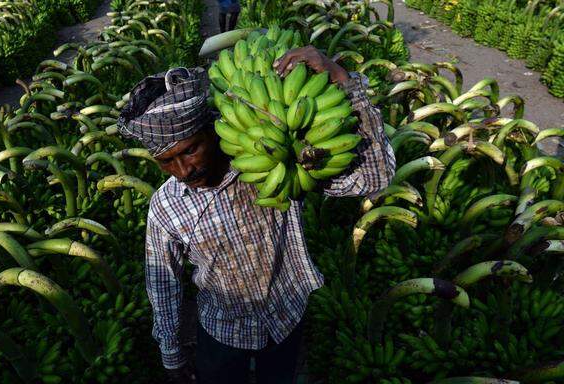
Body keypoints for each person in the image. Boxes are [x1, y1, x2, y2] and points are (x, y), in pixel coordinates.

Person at [117, 45, 396, 384]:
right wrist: (171, 354)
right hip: (222, 330)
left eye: (190, 150)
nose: (183, 169)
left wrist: (343, 81)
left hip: (286, 319)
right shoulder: (167, 205)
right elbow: (164, 283)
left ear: (212, 130)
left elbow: (374, 179)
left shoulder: (273, 165)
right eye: (166, 161)